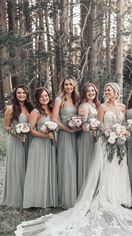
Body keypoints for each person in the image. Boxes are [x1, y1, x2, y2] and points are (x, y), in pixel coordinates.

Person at [15, 83, 132, 236]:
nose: (107, 92)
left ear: (116, 92)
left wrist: (121, 133)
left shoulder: (123, 107)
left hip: (120, 143)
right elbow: (101, 125)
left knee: (120, 168)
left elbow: (123, 124)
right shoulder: (101, 107)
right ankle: (107, 197)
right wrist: (108, 135)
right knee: (107, 169)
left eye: (110, 90)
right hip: (107, 141)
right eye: (106, 90)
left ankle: (121, 197)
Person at [23, 87, 57, 208]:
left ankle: (47, 198)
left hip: (50, 144)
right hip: (38, 144)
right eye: (42, 96)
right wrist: (45, 136)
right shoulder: (35, 112)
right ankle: (34, 201)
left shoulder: (52, 110)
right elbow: (30, 131)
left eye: (46, 96)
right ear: (37, 98)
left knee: (48, 169)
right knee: (38, 170)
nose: (44, 98)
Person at [1, 85, 33, 208]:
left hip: (29, 140)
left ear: (27, 94)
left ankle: (29, 196)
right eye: (19, 93)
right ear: (15, 95)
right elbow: (7, 127)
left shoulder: (30, 108)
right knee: (18, 167)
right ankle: (17, 198)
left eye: (23, 93)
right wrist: (18, 135)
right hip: (17, 141)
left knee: (28, 167)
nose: (21, 95)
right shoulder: (10, 108)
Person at [52, 77, 80, 208]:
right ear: (63, 86)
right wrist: (67, 129)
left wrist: (77, 126)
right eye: (66, 84)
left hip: (76, 135)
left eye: (71, 84)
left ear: (74, 86)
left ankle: (76, 194)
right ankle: (67, 198)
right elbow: (54, 119)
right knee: (67, 164)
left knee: (74, 164)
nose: (68, 87)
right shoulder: (59, 100)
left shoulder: (76, 100)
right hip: (65, 135)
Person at [77, 82, 100, 195]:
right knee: (88, 163)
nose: (91, 93)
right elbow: (82, 125)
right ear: (84, 93)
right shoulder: (84, 106)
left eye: (93, 91)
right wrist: (93, 130)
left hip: (95, 138)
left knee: (94, 164)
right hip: (87, 138)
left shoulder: (96, 105)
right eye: (88, 91)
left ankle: (94, 191)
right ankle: (85, 192)